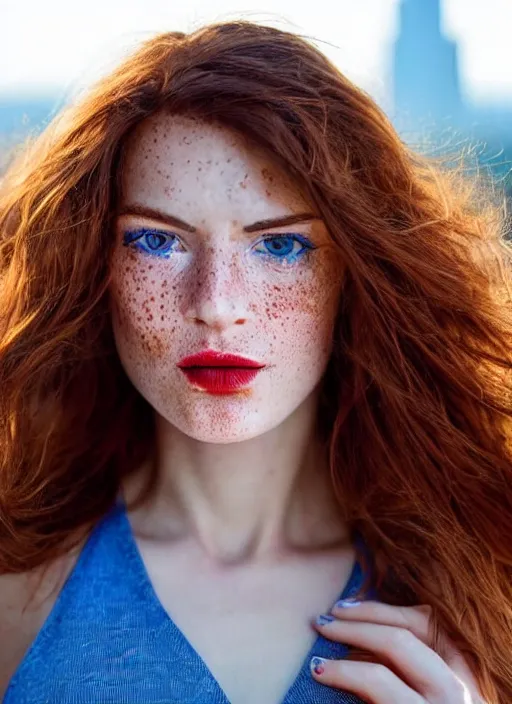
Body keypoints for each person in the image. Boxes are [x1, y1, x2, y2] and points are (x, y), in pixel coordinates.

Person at [0, 20, 511, 704]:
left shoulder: (488, 583)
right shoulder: (14, 594)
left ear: (353, 274)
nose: (216, 305)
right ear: (97, 266)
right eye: (157, 240)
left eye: (279, 247)